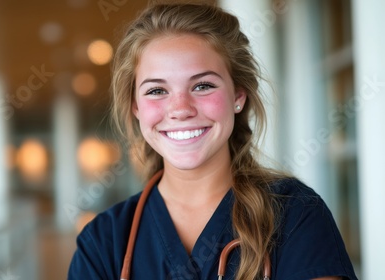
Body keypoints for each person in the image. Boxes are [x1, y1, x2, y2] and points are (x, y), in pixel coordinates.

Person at [68, 3, 358, 280]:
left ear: (238, 97)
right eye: (157, 90)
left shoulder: (296, 214)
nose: (180, 109)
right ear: (136, 108)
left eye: (203, 85)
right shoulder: (102, 243)